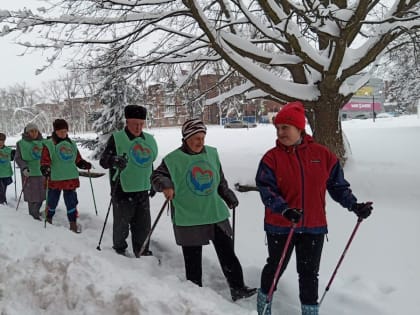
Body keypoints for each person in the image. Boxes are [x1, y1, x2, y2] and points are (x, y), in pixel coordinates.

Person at [255, 101, 373, 315]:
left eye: (285, 128)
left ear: (300, 128)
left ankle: (309, 311)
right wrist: (284, 209)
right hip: (281, 225)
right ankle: (264, 304)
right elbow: (266, 190)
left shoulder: (323, 155)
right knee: (275, 267)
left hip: (313, 226)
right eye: (278, 128)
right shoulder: (271, 158)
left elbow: (338, 186)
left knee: (309, 274)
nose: (281, 132)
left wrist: (354, 205)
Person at [151, 118, 256, 302]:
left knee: (228, 254)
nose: (200, 142)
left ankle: (238, 288)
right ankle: (195, 295)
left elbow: (220, 181)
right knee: (193, 259)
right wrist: (166, 185)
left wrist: (227, 195)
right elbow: (156, 176)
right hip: (189, 215)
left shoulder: (212, 154)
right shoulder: (173, 159)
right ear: (185, 138)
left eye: (202, 137)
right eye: (196, 138)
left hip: (214, 212)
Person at [99, 105, 158, 257]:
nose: (138, 127)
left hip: (142, 189)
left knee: (143, 225)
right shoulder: (117, 138)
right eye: (135, 124)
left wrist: (152, 181)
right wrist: (114, 159)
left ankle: (142, 251)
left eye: (141, 124)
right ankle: (119, 250)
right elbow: (103, 161)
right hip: (122, 189)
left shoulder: (149, 140)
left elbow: (148, 161)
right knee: (121, 225)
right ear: (127, 122)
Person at [40, 119, 92, 233]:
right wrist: (45, 167)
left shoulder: (72, 144)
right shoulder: (49, 144)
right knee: (52, 200)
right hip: (55, 178)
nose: (63, 133)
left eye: (65, 131)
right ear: (55, 131)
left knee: (71, 201)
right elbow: (45, 159)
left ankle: (73, 223)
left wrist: (82, 163)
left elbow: (77, 158)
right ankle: (49, 218)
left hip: (70, 178)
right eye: (60, 131)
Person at [14, 123, 46, 220]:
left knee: (42, 195)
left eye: (36, 131)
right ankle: (33, 216)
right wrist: (24, 168)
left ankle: (35, 212)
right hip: (29, 173)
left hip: (42, 173)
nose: (34, 133)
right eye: (31, 131)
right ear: (27, 132)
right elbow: (18, 158)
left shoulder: (44, 142)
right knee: (32, 196)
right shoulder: (20, 143)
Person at [0, 133, 15, 205]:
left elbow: (12, 158)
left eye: (2, 140)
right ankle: (2, 202)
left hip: (6, 173)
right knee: (1, 188)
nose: (0, 142)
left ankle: (3, 201)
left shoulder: (8, 150)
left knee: (3, 188)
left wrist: (14, 154)